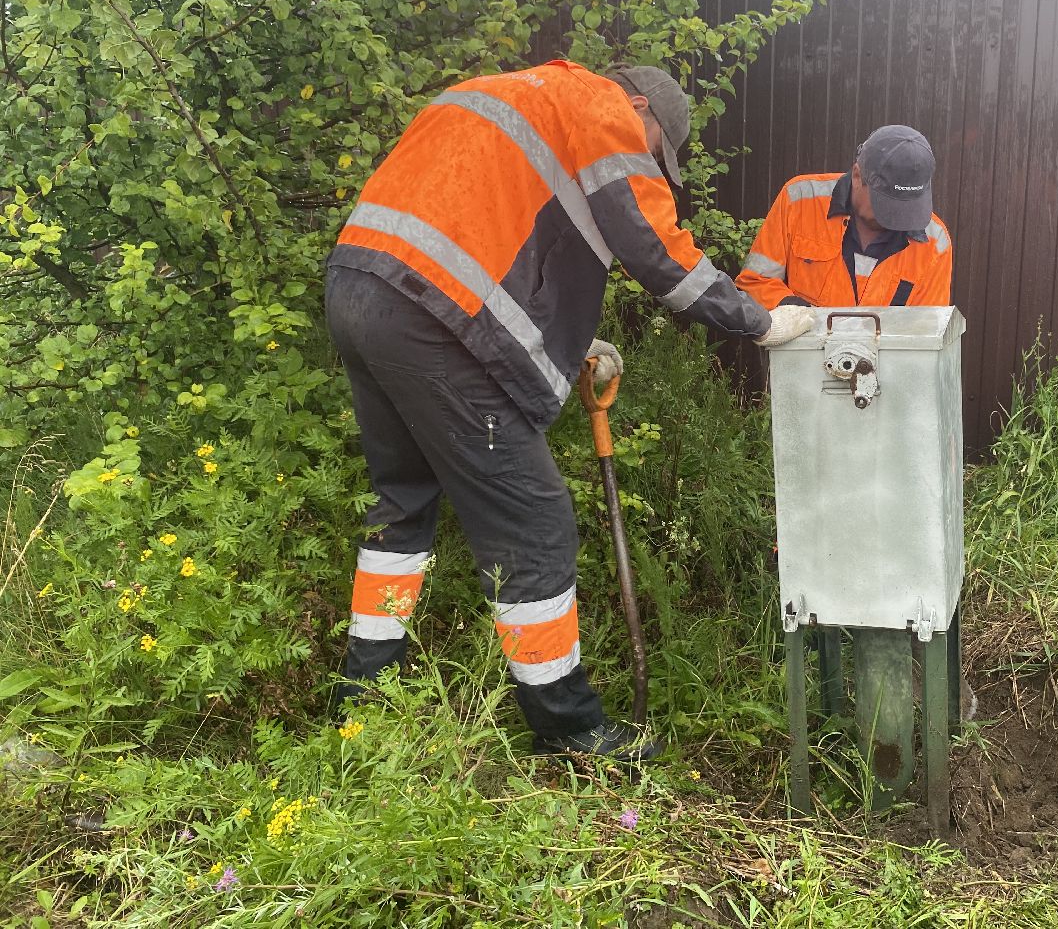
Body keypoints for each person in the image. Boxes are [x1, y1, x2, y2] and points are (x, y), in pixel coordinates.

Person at [325, 60, 812, 761]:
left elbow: (478, 231)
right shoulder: (600, 108)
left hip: (359, 288)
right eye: (655, 147)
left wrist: (571, 339)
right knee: (535, 523)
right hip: (435, 317)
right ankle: (567, 728)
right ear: (640, 105)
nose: (649, 160)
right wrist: (757, 321)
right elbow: (658, 252)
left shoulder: (500, 92)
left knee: (402, 503)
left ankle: (363, 701)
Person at [735, 126, 952, 310]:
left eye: (907, 208)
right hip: (799, 356)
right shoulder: (799, 201)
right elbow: (755, 283)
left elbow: (926, 333)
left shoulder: (935, 243)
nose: (897, 218)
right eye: (887, 205)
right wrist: (794, 314)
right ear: (858, 176)